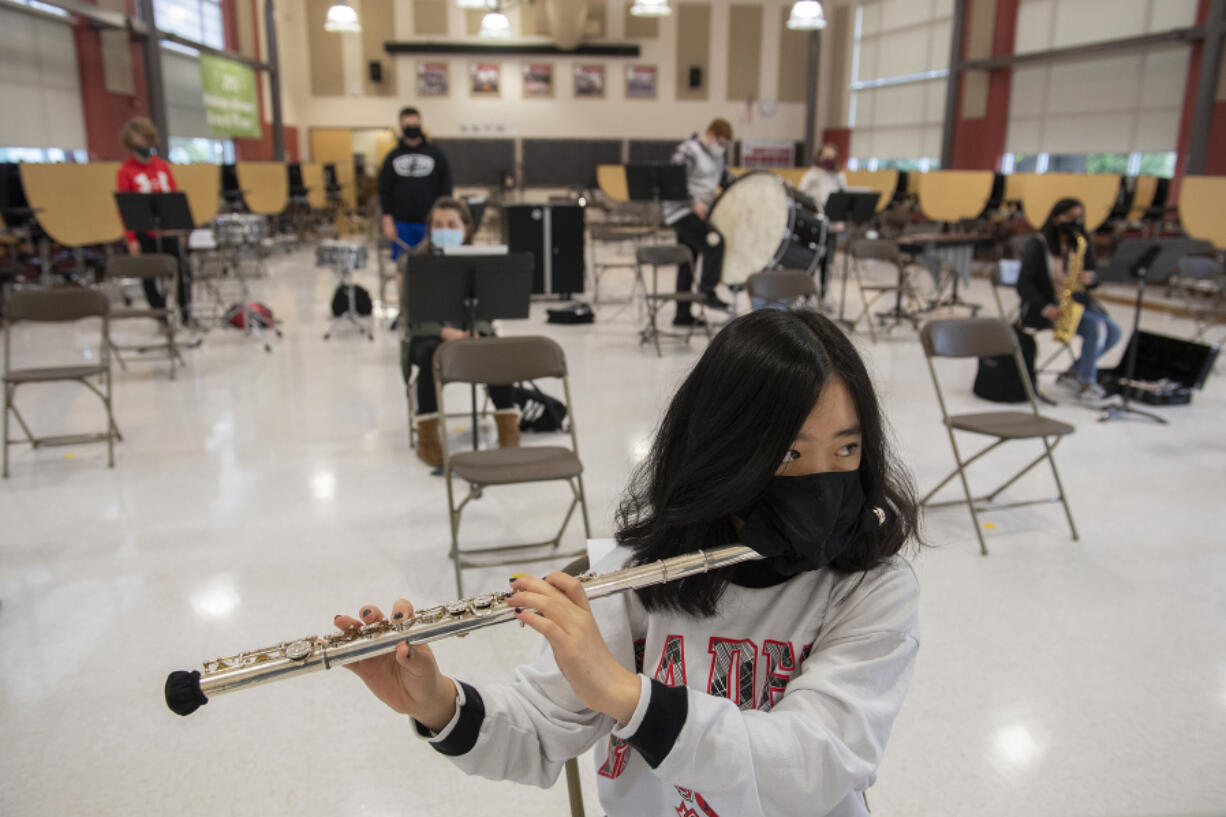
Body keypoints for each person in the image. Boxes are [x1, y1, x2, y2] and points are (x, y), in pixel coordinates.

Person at [339, 309, 922, 817]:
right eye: (790, 452)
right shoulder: (633, 573)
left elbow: (816, 766)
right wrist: (437, 701)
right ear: (727, 452)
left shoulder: (872, 588)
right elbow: (542, 730)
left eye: (847, 448)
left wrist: (626, 695)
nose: (821, 482)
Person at [400, 197, 518, 467]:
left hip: (470, 332)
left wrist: (476, 330)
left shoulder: (480, 260)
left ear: (466, 228)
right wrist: (444, 333)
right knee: (433, 354)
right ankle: (427, 439)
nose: (444, 229)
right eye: (438, 224)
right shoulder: (416, 262)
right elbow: (411, 317)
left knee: (496, 352)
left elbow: (490, 308)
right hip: (429, 335)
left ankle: (509, 433)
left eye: (451, 224)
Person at [1017, 198, 1121, 400]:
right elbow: (1024, 285)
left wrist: (1091, 278)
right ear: (1056, 218)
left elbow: (1093, 277)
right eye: (1070, 217)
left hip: (1078, 304)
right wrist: (1046, 307)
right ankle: (1086, 383)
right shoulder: (1039, 245)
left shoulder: (1081, 243)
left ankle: (1072, 372)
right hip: (1047, 308)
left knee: (1114, 332)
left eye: (1079, 218)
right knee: (1094, 328)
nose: (1076, 222)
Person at [115, 117, 192, 322]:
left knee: (182, 271)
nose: (143, 146)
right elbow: (125, 209)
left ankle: (186, 312)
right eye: (138, 142)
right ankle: (160, 316)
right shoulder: (125, 171)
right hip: (144, 232)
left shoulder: (162, 166)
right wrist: (131, 239)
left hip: (168, 230)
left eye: (145, 141)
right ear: (130, 145)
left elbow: (174, 198)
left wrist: (179, 228)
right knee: (149, 275)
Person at [663, 119, 734, 326]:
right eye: (720, 142)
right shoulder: (688, 151)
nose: (721, 148)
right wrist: (694, 203)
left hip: (701, 213)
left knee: (687, 262)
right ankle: (708, 290)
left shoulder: (717, 157)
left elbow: (726, 180)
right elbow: (675, 179)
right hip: (682, 211)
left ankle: (682, 315)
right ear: (711, 134)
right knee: (714, 241)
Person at [379, 107, 454, 261]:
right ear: (401, 127)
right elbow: (384, 190)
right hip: (401, 224)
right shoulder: (392, 157)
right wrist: (388, 223)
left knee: (432, 264)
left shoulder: (436, 155)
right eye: (408, 125)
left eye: (416, 124)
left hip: (431, 222)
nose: (412, 128)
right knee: (402, 265)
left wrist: (444, 219)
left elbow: (446, 188)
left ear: (421, 125)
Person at [800, 143, 849, 307]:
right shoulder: (811, 175)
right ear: (819, 157)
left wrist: (840, 222)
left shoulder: (839, 177)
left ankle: (824, 294)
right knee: (812, 261)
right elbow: (802, 197)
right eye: (825, 156)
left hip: (832, 227)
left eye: (832, 157)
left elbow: (843, 202)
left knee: (827, 263)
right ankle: (806, 297)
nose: (829, 160)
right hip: (814, 226)